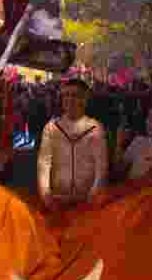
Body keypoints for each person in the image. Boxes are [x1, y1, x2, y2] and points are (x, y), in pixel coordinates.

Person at [37, 79, 108, 209]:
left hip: (86, 198)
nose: (69, 99)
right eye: (65, 95)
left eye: (74, 95)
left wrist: (94, 192)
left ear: (84, 99)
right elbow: (44, 162)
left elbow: (101, 164)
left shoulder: (95, 127)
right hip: (57, 197)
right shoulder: (52, 127)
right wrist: (45, 192)